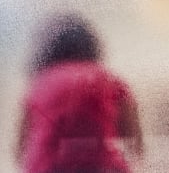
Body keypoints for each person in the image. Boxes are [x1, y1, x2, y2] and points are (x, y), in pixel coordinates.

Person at [17, 13, 143, 173]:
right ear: (92, 46)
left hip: (48, 167)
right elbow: (133, 140)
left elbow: (22, 147)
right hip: (103, 167)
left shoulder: (40, 85)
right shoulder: (110, 81)